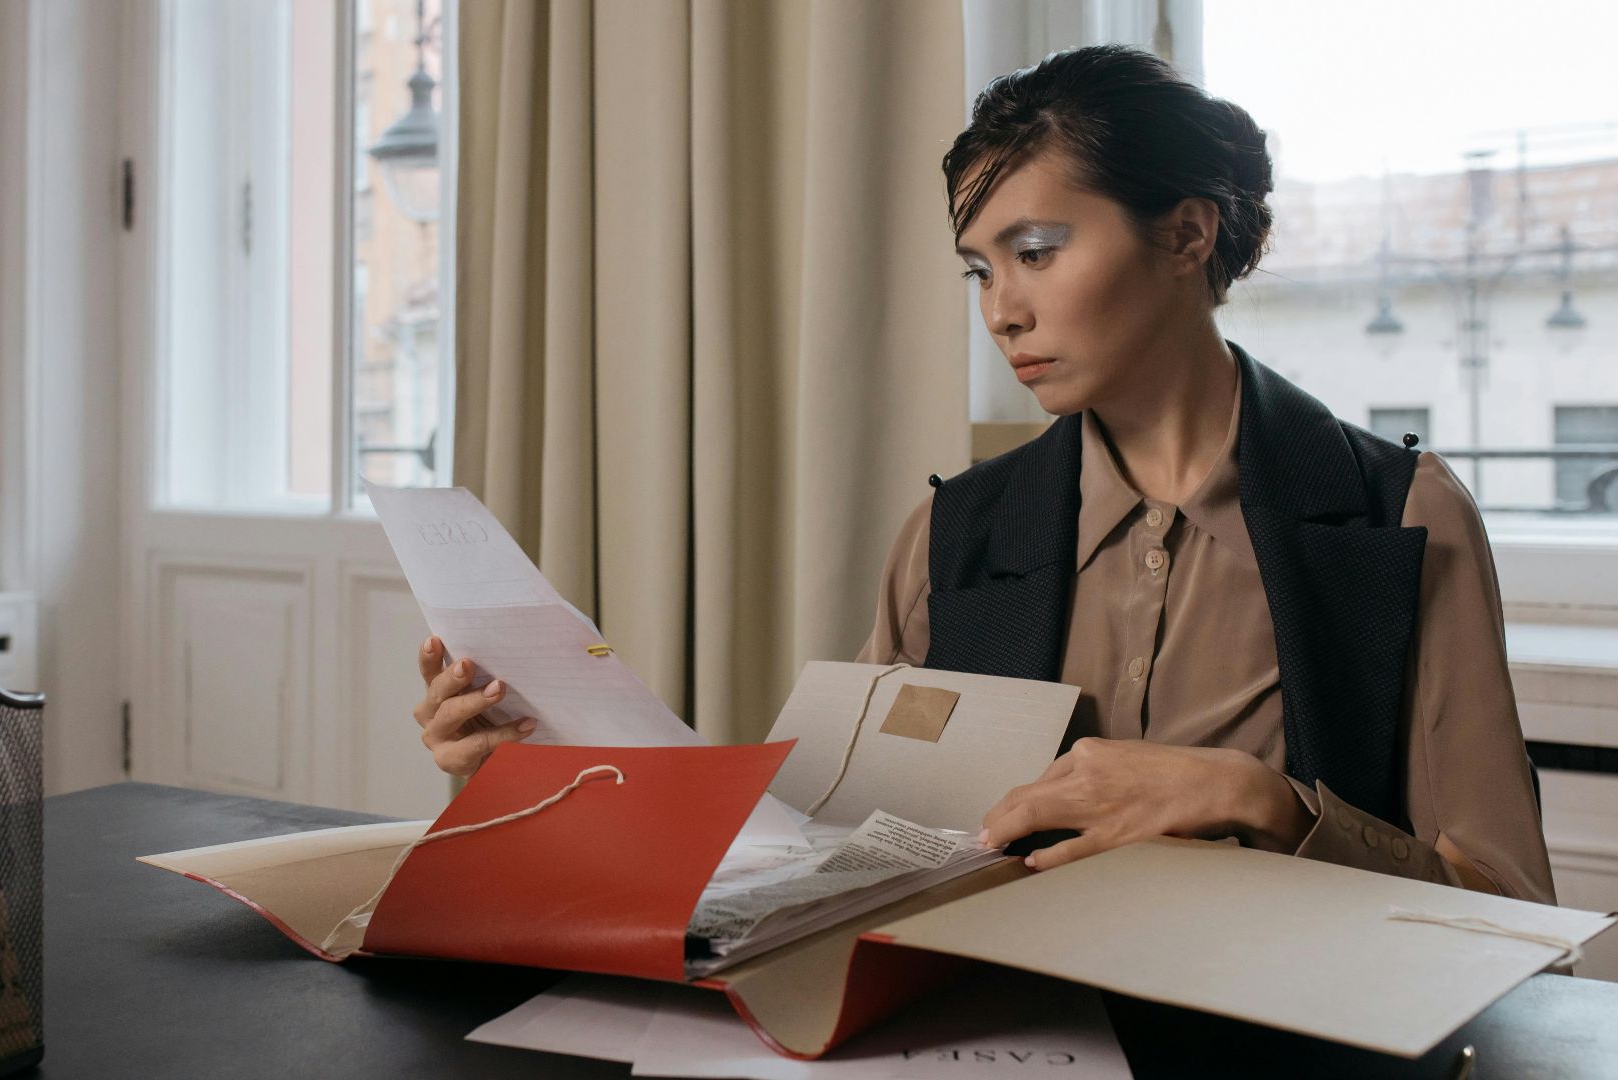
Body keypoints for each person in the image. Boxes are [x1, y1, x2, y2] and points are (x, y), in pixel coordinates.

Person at [410, 43, 1554, 905]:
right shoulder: (952, 537)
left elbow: (1507, 909)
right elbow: (815, 850)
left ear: (1188, 235)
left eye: (1038, 252)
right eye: (979, 270)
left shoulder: (1398, 519)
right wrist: (544, 774)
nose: (1004, 310)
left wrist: (1266, 805)